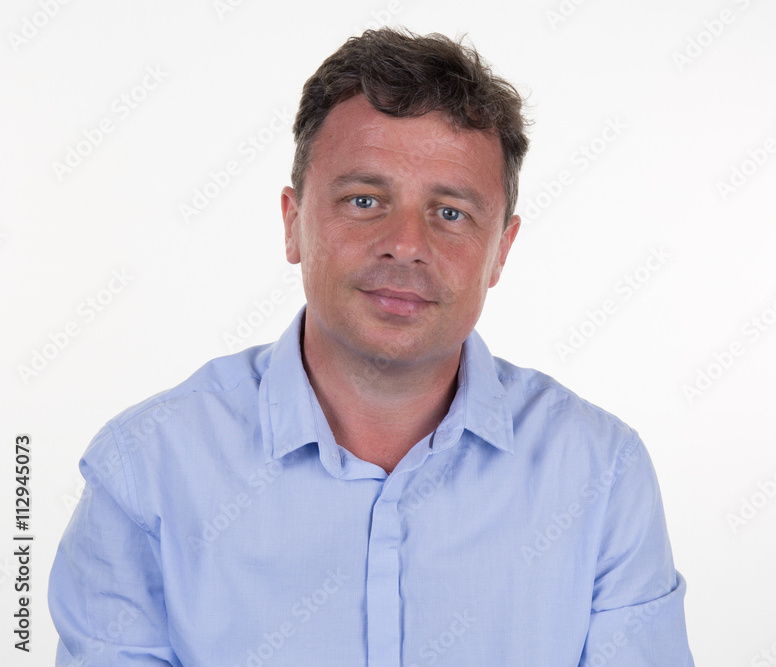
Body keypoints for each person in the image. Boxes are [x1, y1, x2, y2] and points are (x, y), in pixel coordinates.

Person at [49, 28, 695, 666]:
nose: (406, 243)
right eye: (365, 199)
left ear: (501, 250)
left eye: (450, 213)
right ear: (291, 223)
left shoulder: (603, 478)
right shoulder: (145, 474)